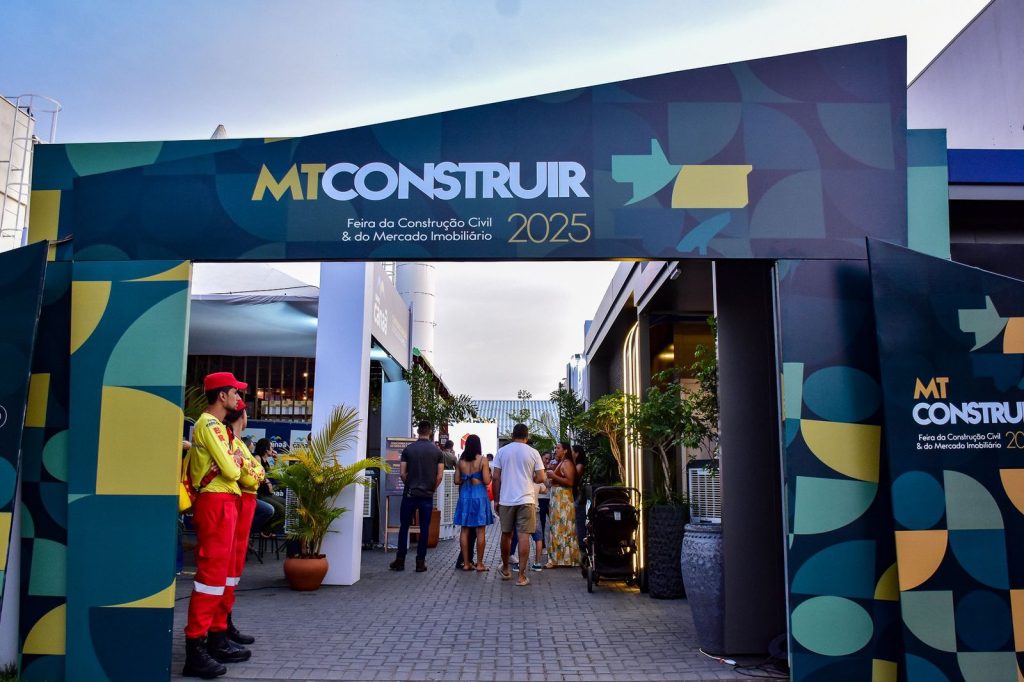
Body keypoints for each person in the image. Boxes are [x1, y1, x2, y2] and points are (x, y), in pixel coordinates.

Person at [183, 371, 249, 679]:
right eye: (235, 392)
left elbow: (241, 469)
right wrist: (236, 464)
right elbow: (233, 471)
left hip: (224, 501)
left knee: (220, 575)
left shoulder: (216, 427)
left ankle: (213, 638)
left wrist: (236, 464)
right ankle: (196, 648)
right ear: (222, 396)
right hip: (215, 502)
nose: (239, 398)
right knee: (211, 577)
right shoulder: (209, 424)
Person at [219, 399, 265, 648]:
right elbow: (247, 475)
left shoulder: (238, 444)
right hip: (237, 501)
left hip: (244, 502)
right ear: (242, 415)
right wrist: (253, 471)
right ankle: (219, 628)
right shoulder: (229, 441)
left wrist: (252, 470)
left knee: (233, 570)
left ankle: (225, 623)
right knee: (225, 569)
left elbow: (257, 473)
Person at [492, 423, 545, 586]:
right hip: (527, 500)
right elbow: (541, 478)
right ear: (527, 437)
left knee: (506, 534)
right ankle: (521, 576)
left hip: (506, 499)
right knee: (524, 536)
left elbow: (495, 477)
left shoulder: (502, 451)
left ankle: (506, 569)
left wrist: (496, 499)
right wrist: (531, 478)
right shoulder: (533, 452)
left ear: (512, 436)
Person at [389, 421, 444, 572]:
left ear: (418, 431)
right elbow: (439, 476)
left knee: (404, 527)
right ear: (430, 432)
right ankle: (420, 562)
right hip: (427, 495)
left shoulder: (408, 450)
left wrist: (409, 485)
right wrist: (431, 489)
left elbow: (402, 473)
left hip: (410, 494)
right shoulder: (437, 452)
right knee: (424, 528)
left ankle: (400, 560)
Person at [452, 434, 491, 571]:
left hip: (465, 495)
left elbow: (456, 481)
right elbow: (487, 480)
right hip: (479, 495)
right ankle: (479, 564)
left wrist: (466, 478)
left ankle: (466, 563)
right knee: (480, 530)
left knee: (464, 530)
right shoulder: (483, 460)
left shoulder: (460, 461)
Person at [544, 441, 580, 569]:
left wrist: (554, 476)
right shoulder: (562, 462)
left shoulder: (567, 463)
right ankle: (562, 558)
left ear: (565, 450)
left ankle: (558, 559)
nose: (556, 450)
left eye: (558, 448)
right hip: (558, 498)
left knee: (562, 527)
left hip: (563, 499)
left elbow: (570, 482)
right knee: (559, 527)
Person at [254, 439, 286, 534]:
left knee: (286, 505)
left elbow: (273, 474)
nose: (273, 449)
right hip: (260, 495)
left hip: (268, 494)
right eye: (271, 447)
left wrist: (276, 460)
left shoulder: (266, 461)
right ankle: (265, 530)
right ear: (266, 449)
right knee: (282, 510)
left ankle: (268, 529)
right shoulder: (257, 458)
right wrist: (266, 481)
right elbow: (256, 475)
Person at [572, 443, 589, 556]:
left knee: (579, 521)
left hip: (580, 496)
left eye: (572, 452)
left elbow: (574, 477)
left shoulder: (580, 465)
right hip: (577, 495)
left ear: (577, 453)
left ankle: (582, 546)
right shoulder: (576, 464)